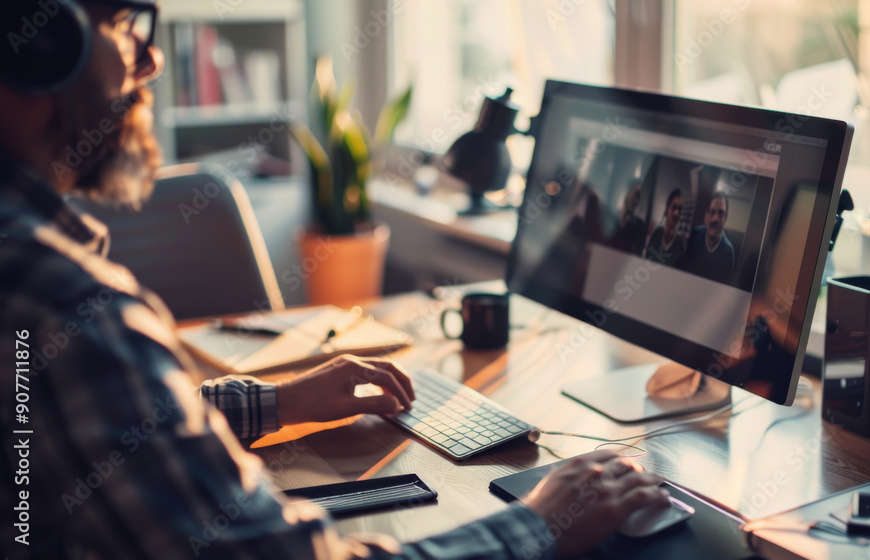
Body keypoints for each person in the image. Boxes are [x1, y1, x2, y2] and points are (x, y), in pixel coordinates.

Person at [0, 1, 671, 559]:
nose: (147, 62)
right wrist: (539, 523)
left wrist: (280, 402)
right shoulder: (63, 305)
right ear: (39, 49)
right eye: (123, 27)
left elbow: (105, 431)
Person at [680, 191, 735, 284]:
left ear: (725, 218)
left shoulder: (729, 252)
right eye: (712, 212)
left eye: (721, 213)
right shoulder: (694, 235)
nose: (715, 219)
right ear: (706, 215)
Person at [644, 188, 687, 266]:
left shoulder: (679, 243)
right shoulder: (657, 232)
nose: (677, 213)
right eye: (674, 207)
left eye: (679, 209)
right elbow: (646, 260)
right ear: (667, 209)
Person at [606, 182, 646, 255]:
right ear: (627, 193)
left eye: (638, 196)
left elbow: (637, 254)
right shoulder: (612, 218)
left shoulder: (639, 225)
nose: (636, 201)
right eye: (635, 194)